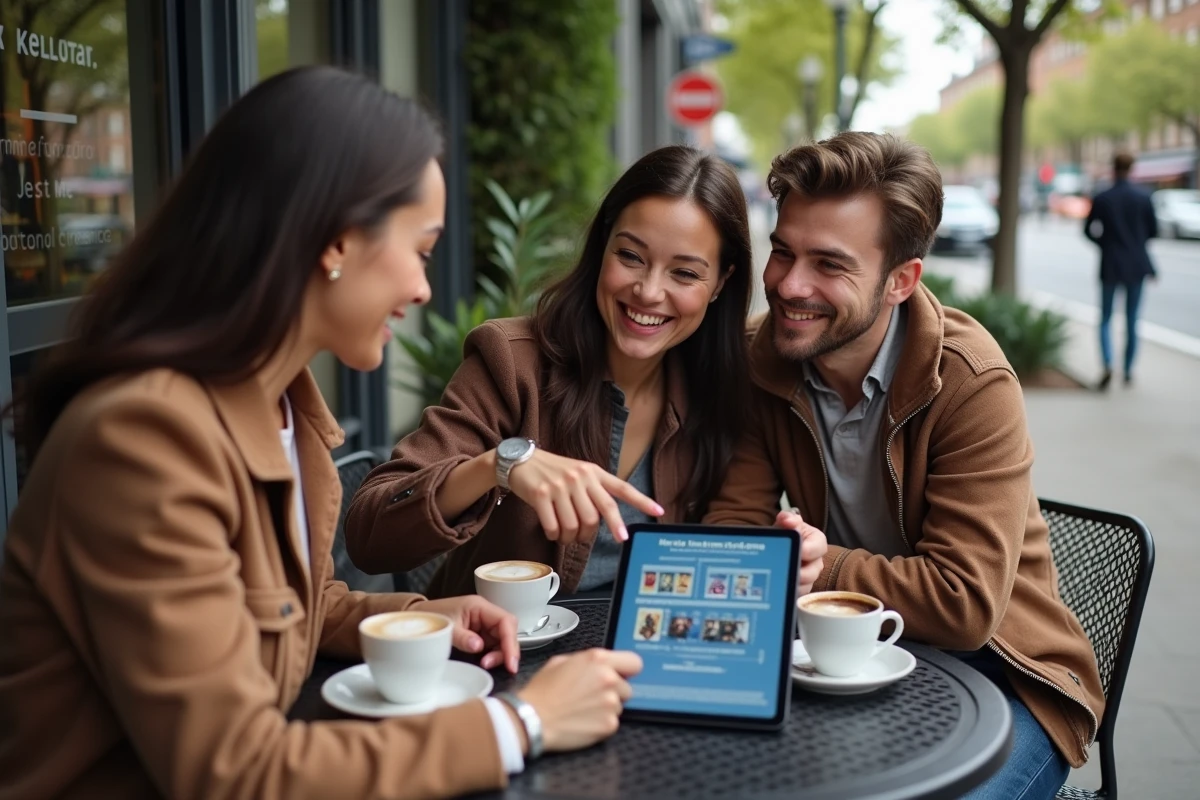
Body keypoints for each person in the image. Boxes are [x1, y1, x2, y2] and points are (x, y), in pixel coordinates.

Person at [0, 67, 644, 800]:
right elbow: (234, 771)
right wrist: (522, 722)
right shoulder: (144, 440)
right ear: (336, 241)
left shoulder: (278, 412)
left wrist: (421, 616)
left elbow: (291, 609)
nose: (423, 289)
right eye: (421, 250)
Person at [704, 132, 1104, 800]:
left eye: (829, 264)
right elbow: (733, 529)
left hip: (1008, 680)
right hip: (842, 655)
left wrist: (815, 567)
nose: (789, 285)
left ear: (900, 281)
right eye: (783, 251)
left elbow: (964, 604)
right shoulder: (763, 357)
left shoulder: (971, 381)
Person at [345, 146, 827, 599]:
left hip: (642, 647)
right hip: (497, 647)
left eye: (684, 273)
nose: (648, 291)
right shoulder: (512, 363)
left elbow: (728, 538)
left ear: (720, 283)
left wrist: (782, 553)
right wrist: (501, 466)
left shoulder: (724, 384)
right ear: (602, 248)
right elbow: (370, 537)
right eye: (630, 256)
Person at [1084, 152, 1158, 389]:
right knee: (1132, 319)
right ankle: (1127, 370)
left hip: (1111, 264)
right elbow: (1153, 231)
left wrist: (1105, 245)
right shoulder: (1143, 197)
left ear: (1113, 168)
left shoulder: (1103, 197)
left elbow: (1088, 230)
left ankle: (1108, 363)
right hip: (1137, 264)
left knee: (1105, 318)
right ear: (1132, 168)